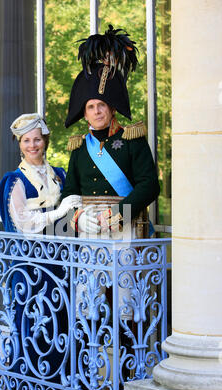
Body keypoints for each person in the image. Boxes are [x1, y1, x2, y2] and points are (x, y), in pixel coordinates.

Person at [0, 113, 81, 390]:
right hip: (30, 265)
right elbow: (23, 223)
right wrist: (59, 213)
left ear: (45, 141)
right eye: (26, 140)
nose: (33, 144)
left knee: (61, 323)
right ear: (20, 145)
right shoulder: (15, 181)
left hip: (58, 262)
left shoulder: (58, 173)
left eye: (37, 139)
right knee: (33, 322)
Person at [61, 25, 160, 236]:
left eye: (101, 105)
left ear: (112, 108)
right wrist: (77, 218)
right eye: (90, 107)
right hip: (90, 232)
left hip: (128, 228)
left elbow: (149, 185)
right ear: (84, 114)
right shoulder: (79, 148)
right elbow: (70, 192)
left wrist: (118, 215)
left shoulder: (132, 140)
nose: (96, 111)